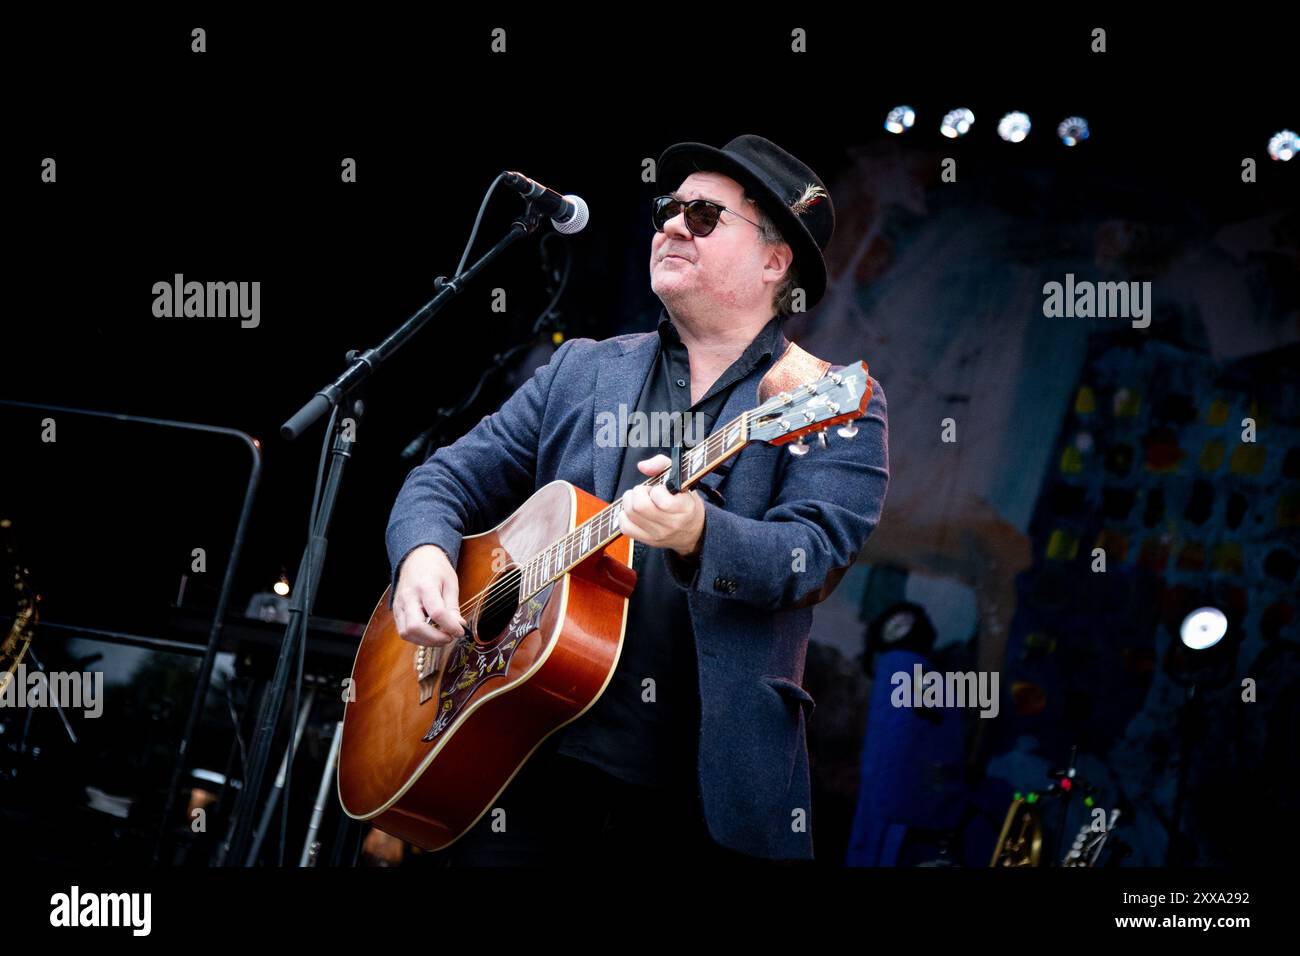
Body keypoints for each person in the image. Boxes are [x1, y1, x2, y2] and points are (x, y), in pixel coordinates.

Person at [386, 134, 890, 864]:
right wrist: (424, 555)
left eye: (706, 216)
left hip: (692, 802)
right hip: (518, 764)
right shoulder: (582, 370)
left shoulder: (827, 399)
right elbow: (444, 479)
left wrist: (699, 532)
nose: (673, 225)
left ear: (776, 262)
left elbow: (812, 556)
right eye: (668, 208)